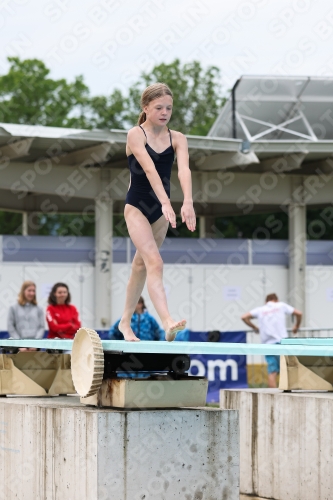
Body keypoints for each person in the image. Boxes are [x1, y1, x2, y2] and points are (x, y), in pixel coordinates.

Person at [120, 82, 196, 342]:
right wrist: (165, 202)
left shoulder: (178, 138)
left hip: (162, 211)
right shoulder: (135, 135)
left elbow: (184, 170)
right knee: (155, 262)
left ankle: (124, 323)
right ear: (146, 108)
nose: (165, 112)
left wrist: (187, 201)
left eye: (169, 108)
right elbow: (150, 170)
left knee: (140, 264)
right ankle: (167, 321)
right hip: (138, 207)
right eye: (159, 108)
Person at [241, 293, 302, 388]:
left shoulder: (260, 309)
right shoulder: (281, 305)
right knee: (287, 370)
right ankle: (290, 395)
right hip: (282, 343)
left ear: (266, 301)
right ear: (276, 300)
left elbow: (244, 317)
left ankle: (273, 396)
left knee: (272, 372)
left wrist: (255, 327)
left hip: (268, 345)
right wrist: (296, 326)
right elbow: (299, 313)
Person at [7, 281, 45, 351]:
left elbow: (41, 327)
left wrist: (35, 344)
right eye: (29, 290)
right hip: (18, 348)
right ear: (23, 291)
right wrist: (19, 344)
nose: (32, 293)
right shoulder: (13, 307)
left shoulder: (39, 308)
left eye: (33, 291)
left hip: (35, 347)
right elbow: (11, 327)